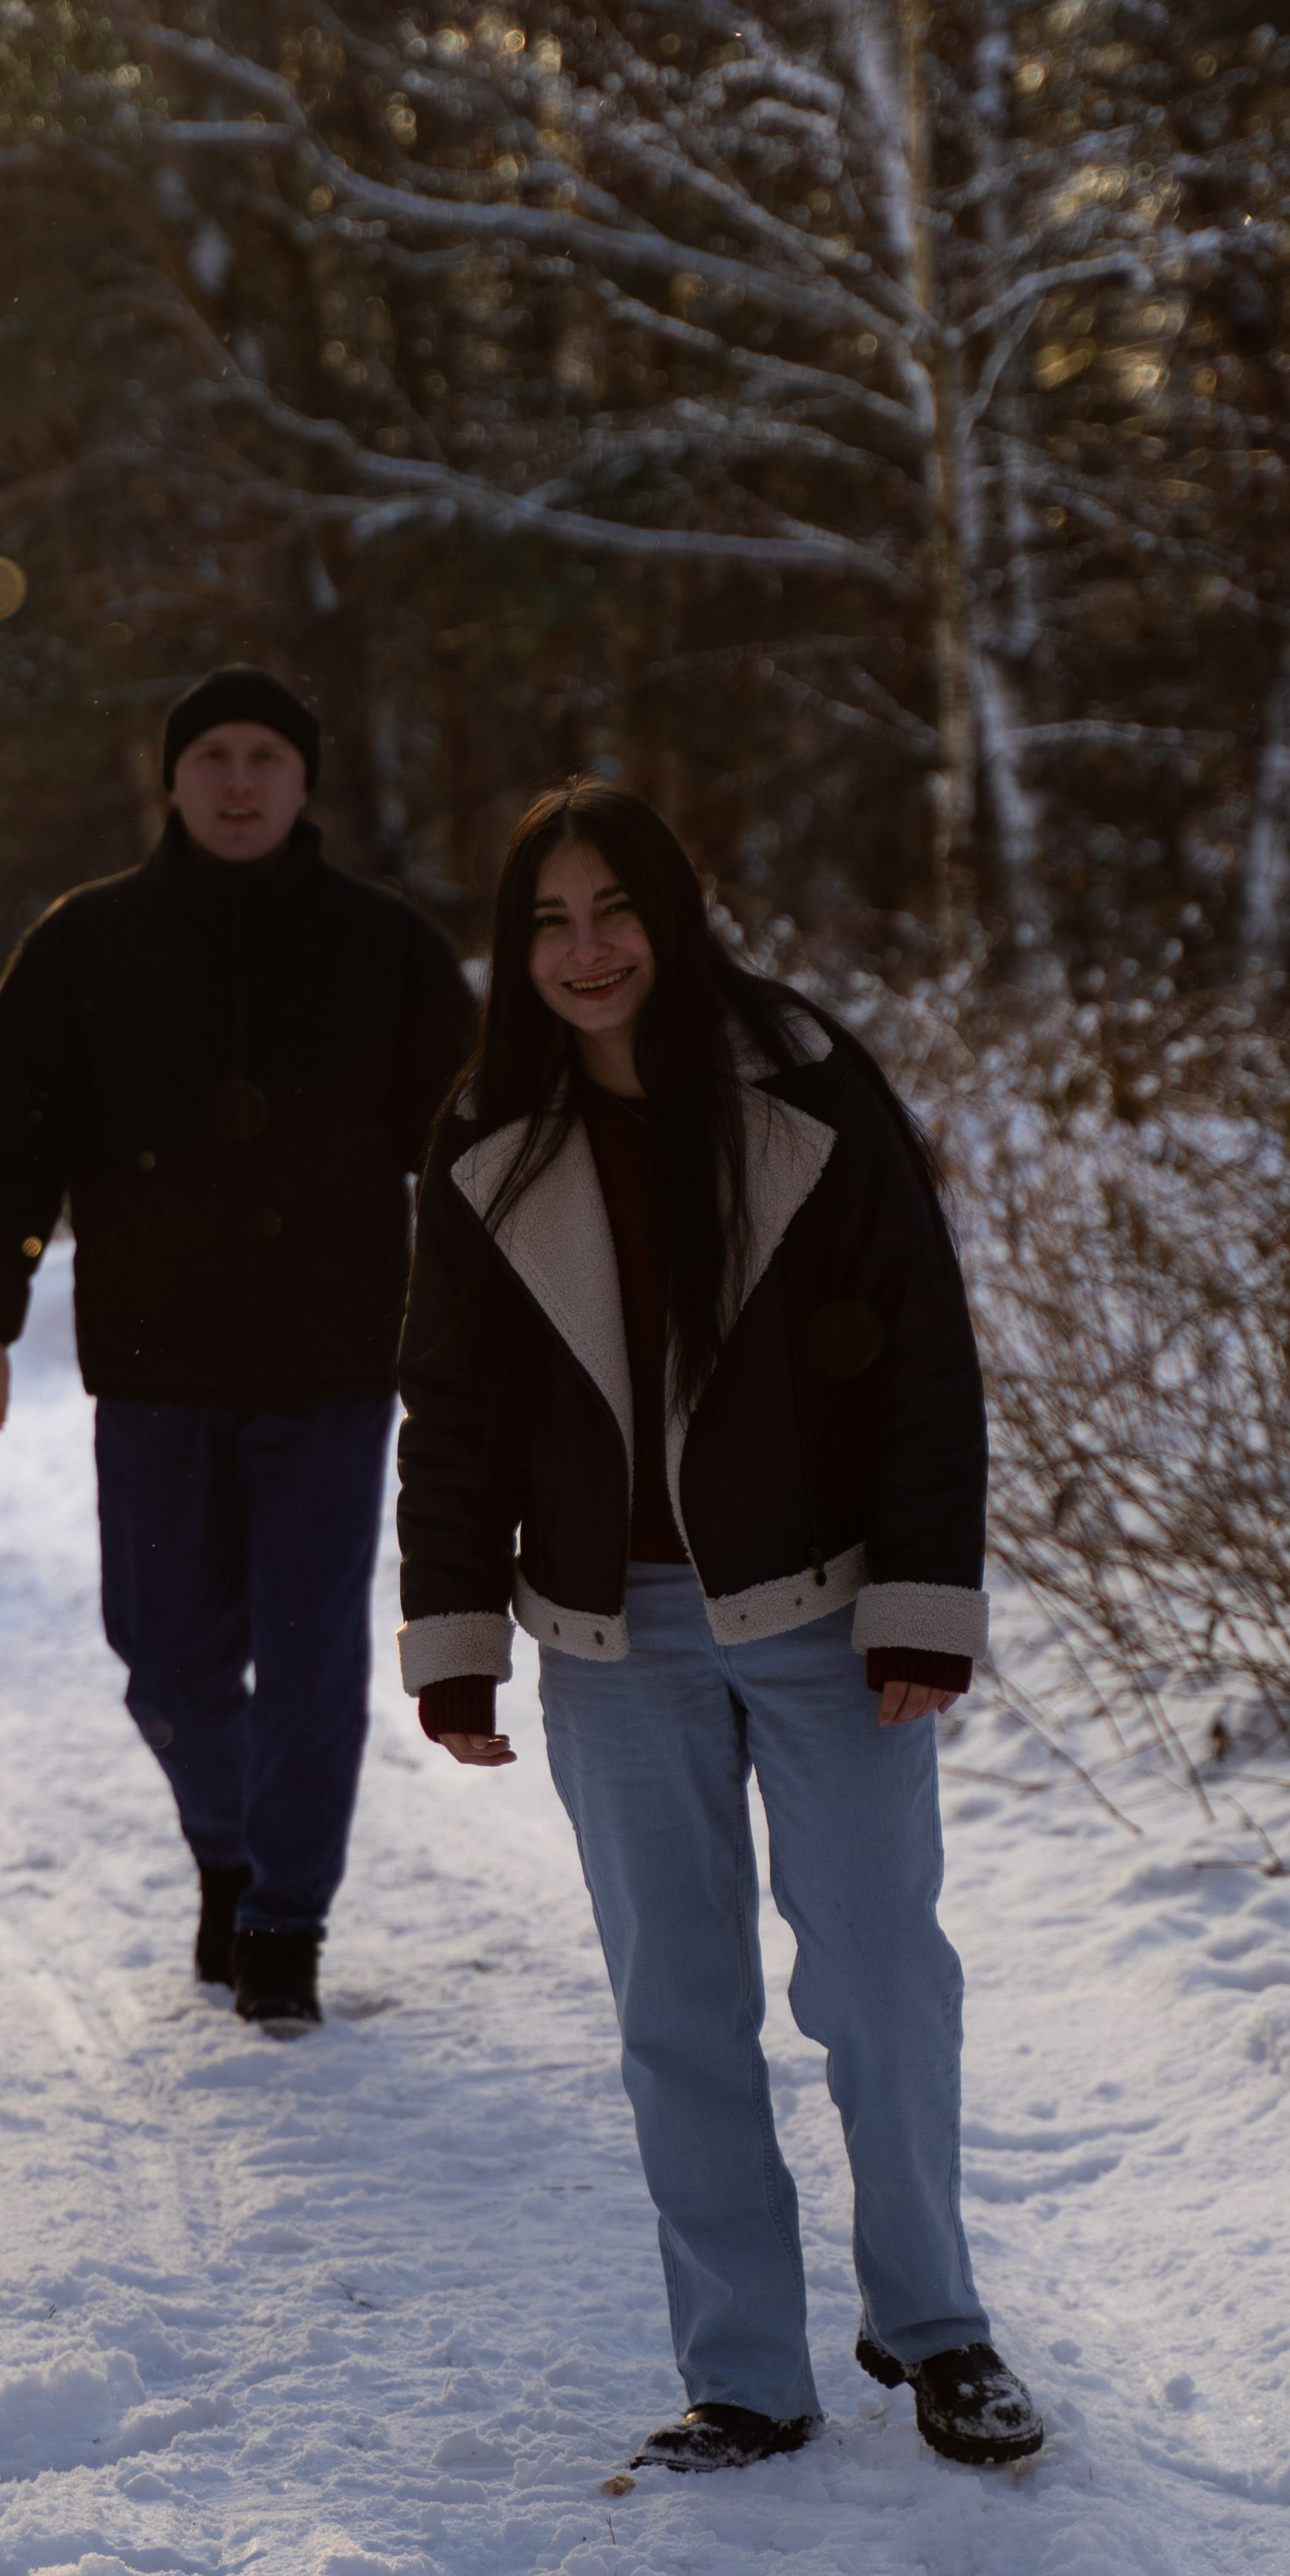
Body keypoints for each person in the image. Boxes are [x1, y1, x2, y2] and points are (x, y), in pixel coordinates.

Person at [395, 781, 1042, 2472]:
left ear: (674, 918)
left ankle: (938, 2330)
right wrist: (453, 1631)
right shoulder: (486, 1139)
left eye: (615, 911)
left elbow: (922, 1355)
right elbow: (451, 1409)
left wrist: (921, 1603)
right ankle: (745, 2372)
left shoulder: (808, 1086)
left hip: (830, 1620)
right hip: (614, 1648)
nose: (586, 950)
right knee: (677, 2011)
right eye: (549, 920)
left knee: (886, 1984)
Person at [0, 666, 471, 2030]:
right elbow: (9, 1136)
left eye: (266, 759)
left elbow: (474, 1151)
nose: (239, 782)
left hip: (336, 1367)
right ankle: (232, 1852)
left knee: (308, 1653)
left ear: (305, 784)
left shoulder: (384, 948)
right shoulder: (86, 944)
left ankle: (285, 1917)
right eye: (214, 756)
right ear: (170, 779)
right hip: (155, 1370)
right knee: (163, 1655)